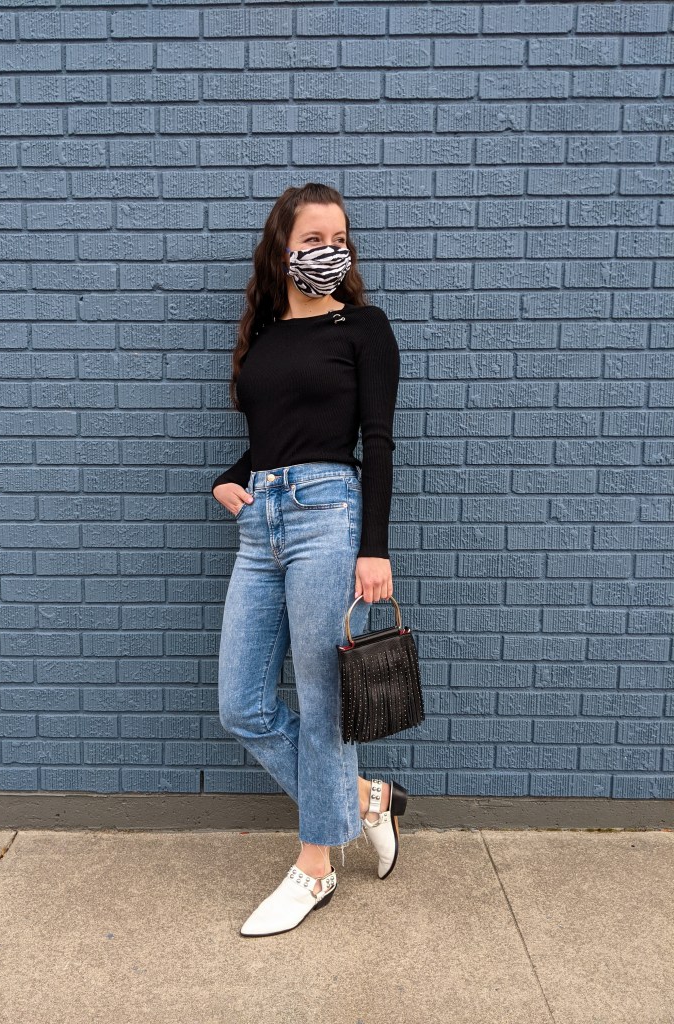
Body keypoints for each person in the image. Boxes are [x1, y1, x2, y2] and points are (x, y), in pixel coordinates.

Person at [212, 182, 409, 938]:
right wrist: (235, 477)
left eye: (339, 238)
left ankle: (316, 868)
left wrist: (375, 549)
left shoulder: (364, 328)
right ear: (283, 249)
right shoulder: (263, 337)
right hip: (261, 520)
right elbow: (276, 433)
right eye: (312, 238)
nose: (328, 250)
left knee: (326, 705)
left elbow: (376, 439)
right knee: (244, 704)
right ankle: (367, 799)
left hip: (331, 516)